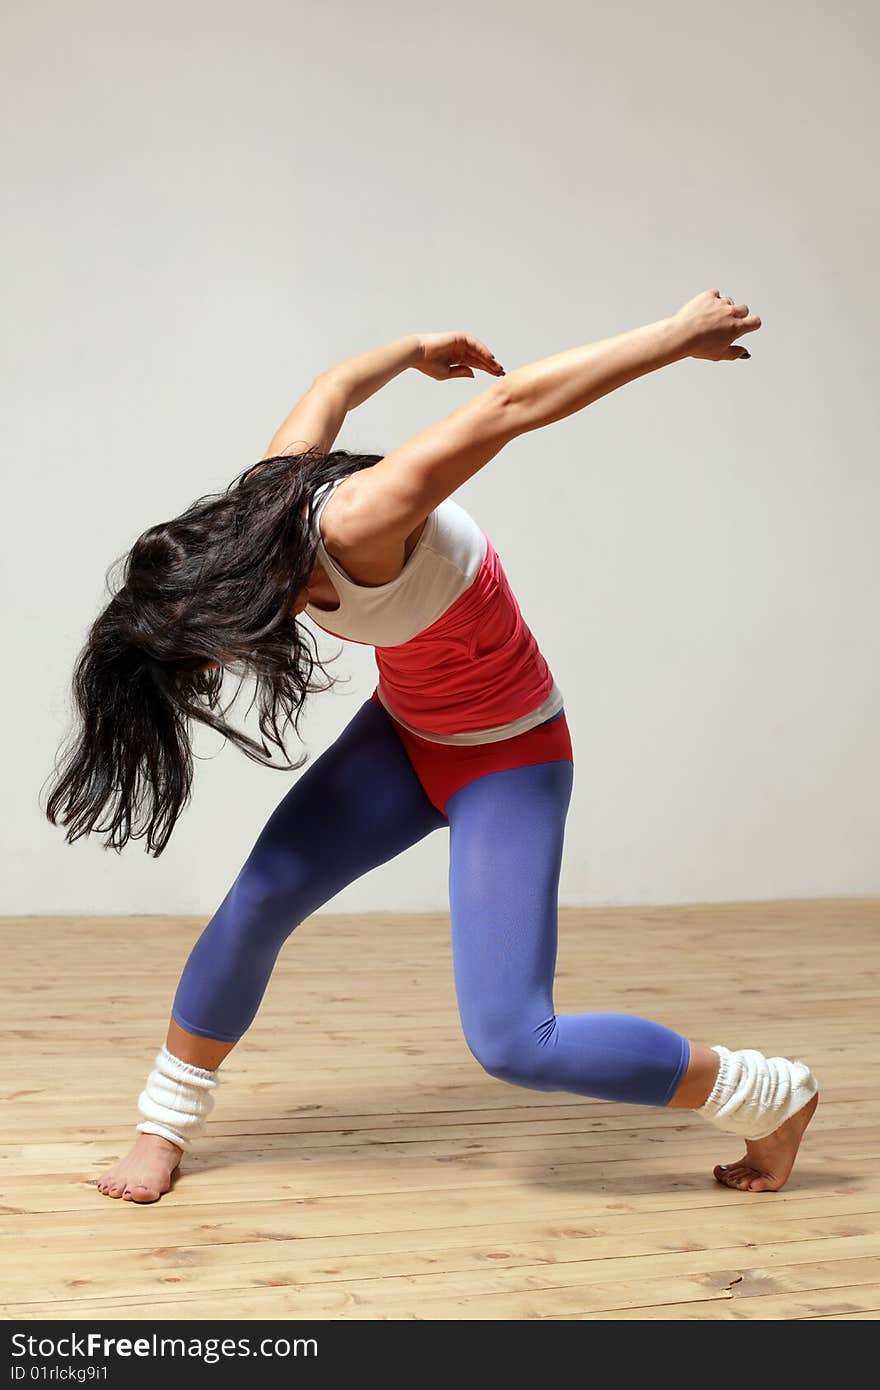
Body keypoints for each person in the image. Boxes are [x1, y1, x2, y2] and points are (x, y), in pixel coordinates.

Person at [45, 289, 818, 1205]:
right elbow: (333, 383)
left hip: (510, 758)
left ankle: (772, 1094)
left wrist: (678, 336)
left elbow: (508, 406)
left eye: (209, 651)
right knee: (256, 903)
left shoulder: (357, 523)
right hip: (406, 737)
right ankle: (163, 1127)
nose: (219, 668)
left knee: (513, 1043)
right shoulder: (269, 500)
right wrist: (412, 346)